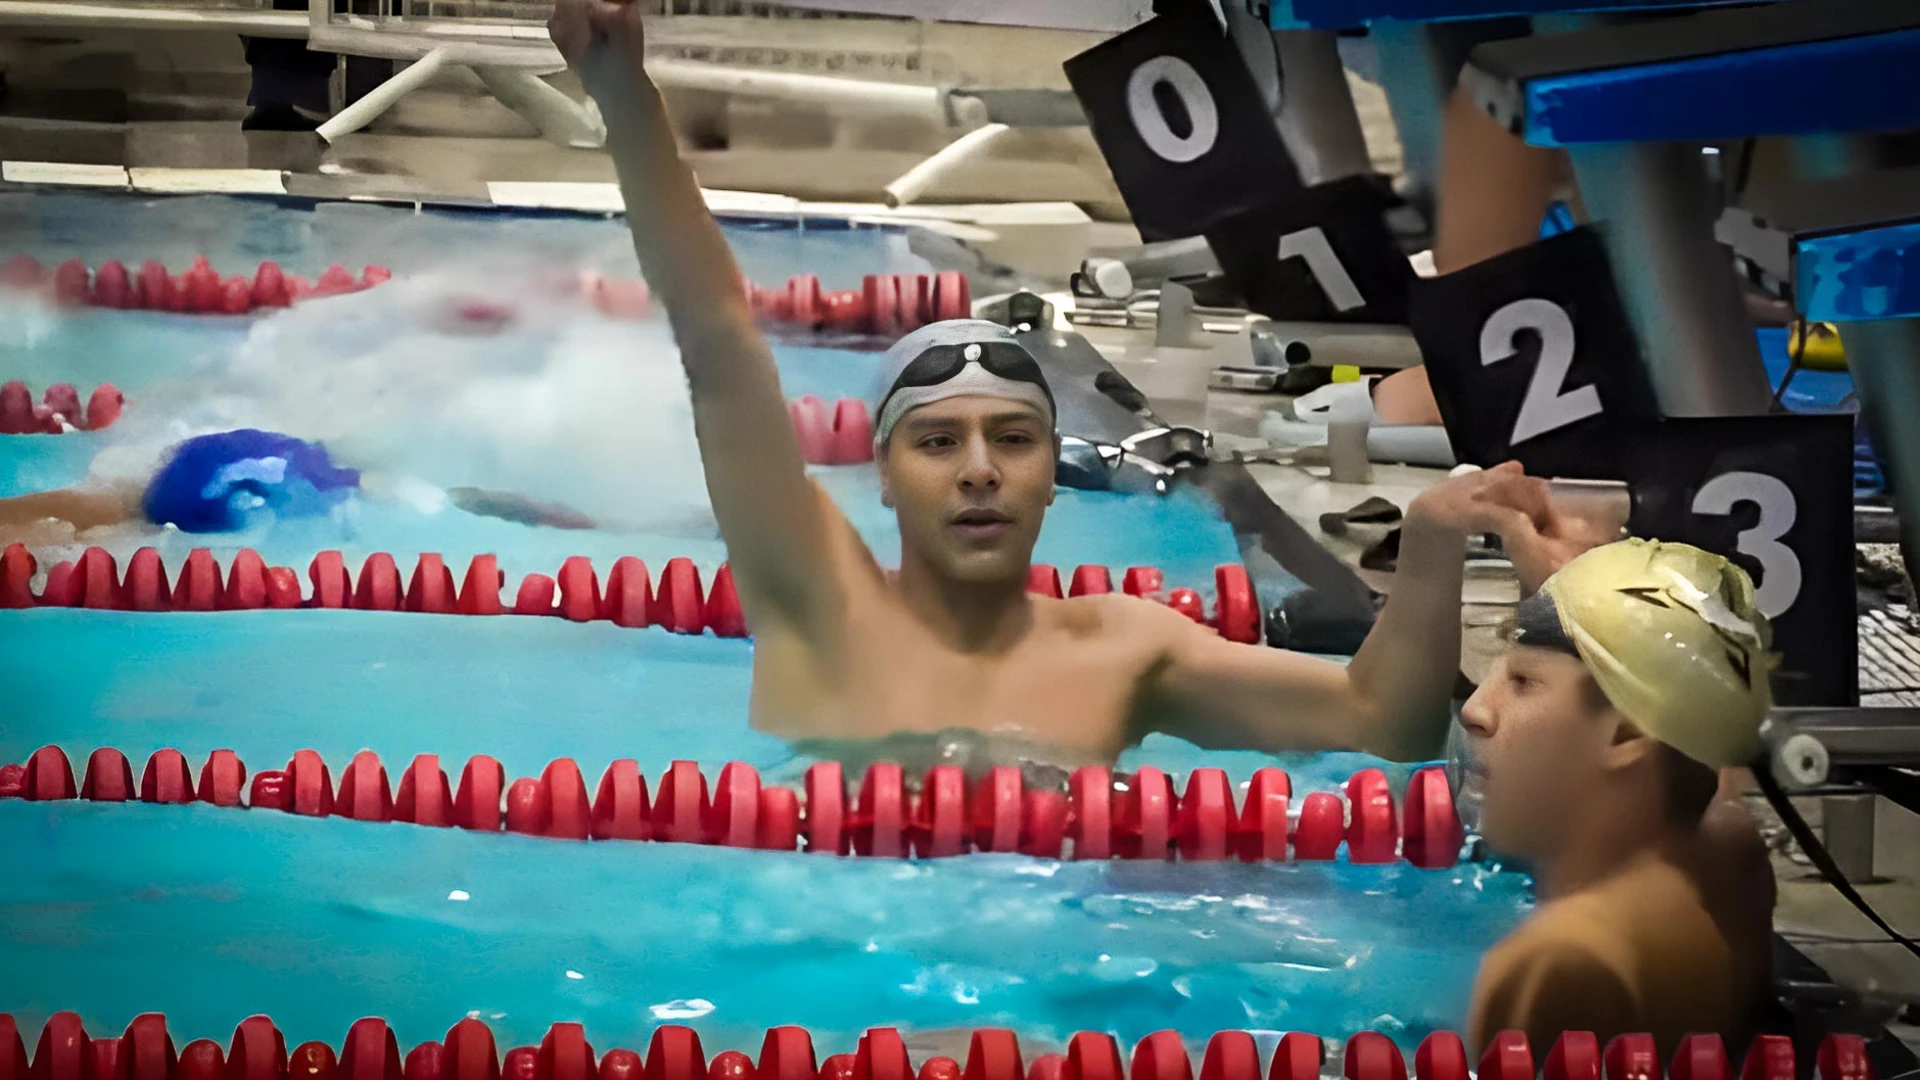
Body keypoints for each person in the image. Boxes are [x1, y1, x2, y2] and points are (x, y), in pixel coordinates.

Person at [546, 0, 1564, 766]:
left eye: (1013, 439)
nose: (979, 470)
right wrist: (626, 97)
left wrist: (1433, 542)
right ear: (882, 476)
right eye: (937, 442)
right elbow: (719, 345)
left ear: (1051, 477)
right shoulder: (819, 606)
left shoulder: (1127, 650)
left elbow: (1379, 721)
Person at [1456, 539, 1775, 1057]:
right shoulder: (1729, 863)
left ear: (1626, 733)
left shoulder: (1559, 963)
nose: (1475, 710)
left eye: (1523, 681)